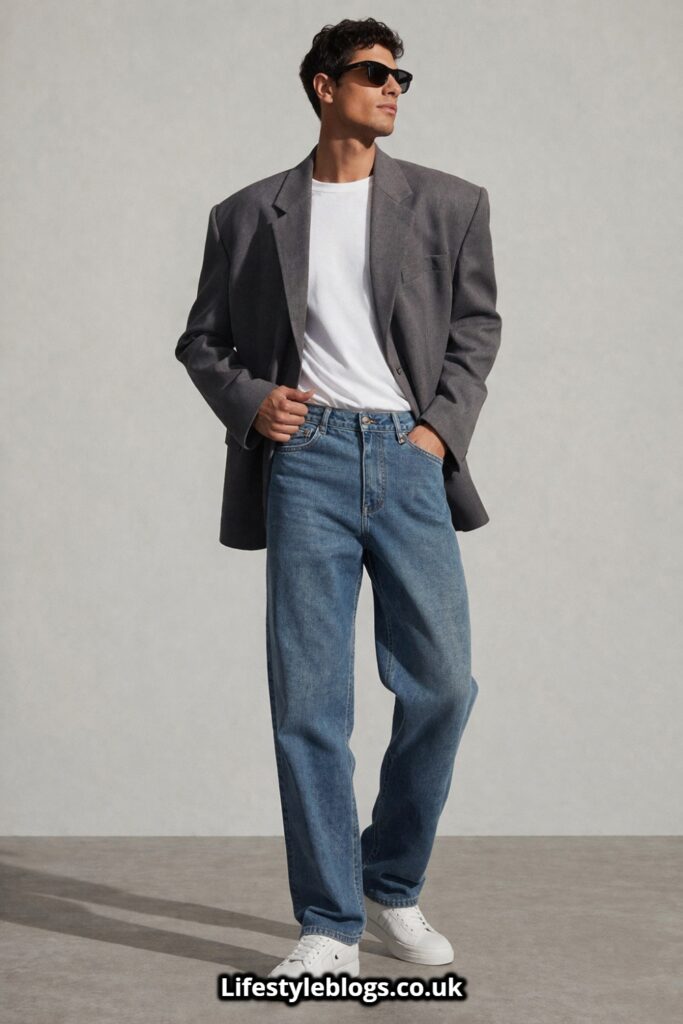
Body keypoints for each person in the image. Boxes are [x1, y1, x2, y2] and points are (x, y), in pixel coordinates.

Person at [175, 17, 502, 979]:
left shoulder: (450, 203)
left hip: (407, 456)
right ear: (324, 86)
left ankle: (388, 885)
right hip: (306, 461)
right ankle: (327, 921)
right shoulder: (248, 214)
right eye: (372, 72)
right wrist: (251, 401)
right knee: (309, 704)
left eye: (400, 75)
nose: (393, 86)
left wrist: (436, 432)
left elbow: (475, 330)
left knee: (441, 685)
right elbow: (202, 340)